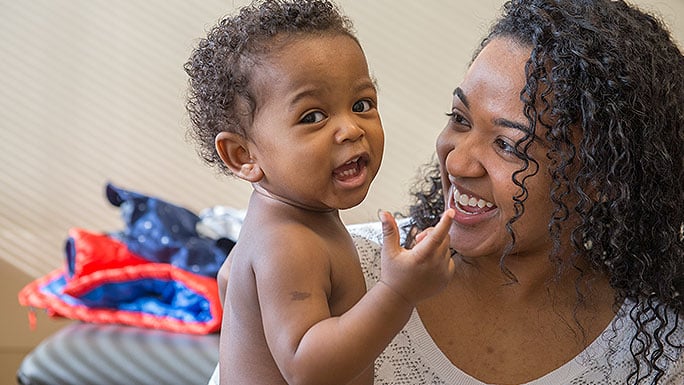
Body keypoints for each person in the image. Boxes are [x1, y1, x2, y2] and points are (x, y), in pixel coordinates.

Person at [349, 0, 684, 383]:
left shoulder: (661, 358)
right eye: (460, 119)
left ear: (602, 179)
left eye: (509, 145)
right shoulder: (336, 273)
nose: (457, 164)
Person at [184, 1, 456, 384]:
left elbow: (229, 278)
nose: (350, 129)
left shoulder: (285, 223)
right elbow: (308, 369)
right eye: (313, 116)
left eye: (361, 104)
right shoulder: (289, 242)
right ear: (243, 155)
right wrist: (399, 291)